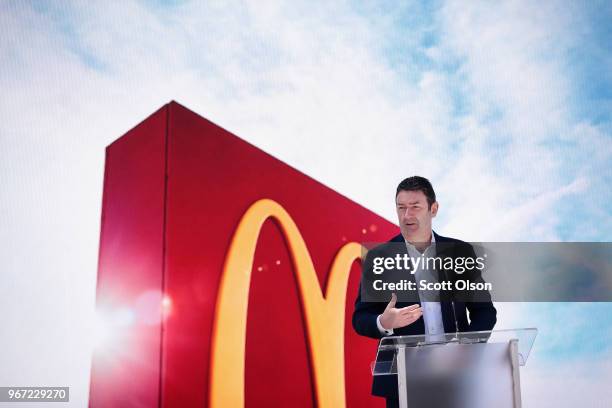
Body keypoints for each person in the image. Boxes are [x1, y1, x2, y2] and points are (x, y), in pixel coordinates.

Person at [352, 176, 497, 408]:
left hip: (454, 376)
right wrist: (383, 322)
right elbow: (360, 318)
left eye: (415, 207)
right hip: (402, 381)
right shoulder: (379, 258)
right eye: (401, 208)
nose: (407, 215)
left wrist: (466, 348)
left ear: (434, 209)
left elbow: (485, 311)